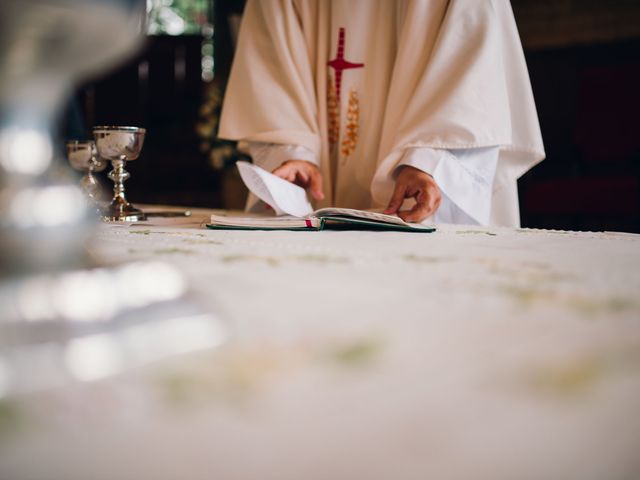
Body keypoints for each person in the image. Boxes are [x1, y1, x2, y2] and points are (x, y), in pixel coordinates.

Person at [219, 0, 545, 226]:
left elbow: (470, 67)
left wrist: (428, 161)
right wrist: (294, 151)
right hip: (318, 195)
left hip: (415, 177)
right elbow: (270, 65)